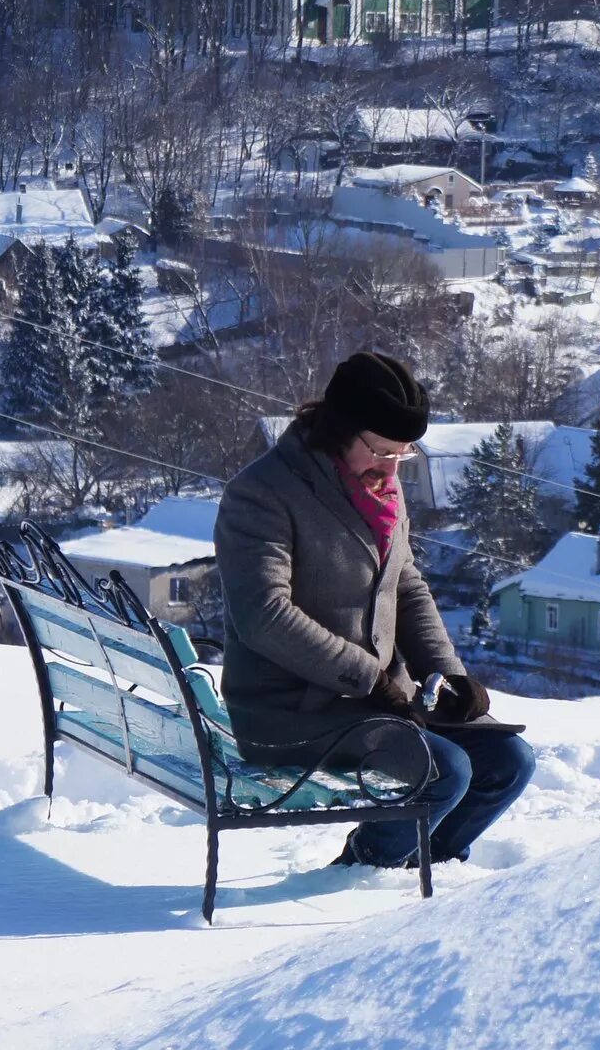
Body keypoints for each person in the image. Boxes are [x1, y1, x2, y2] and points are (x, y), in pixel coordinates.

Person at [214, 350, 535, 870]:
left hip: (374, 704)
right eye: (381, 451)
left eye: (402, 455)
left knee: (509, 763)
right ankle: (363, 871)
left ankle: (422, 869)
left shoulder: (380, 490)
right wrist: (370, 678)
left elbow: (405, 585)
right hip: (289, 711)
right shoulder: (262, 494)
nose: (391, 469)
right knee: (444, 771)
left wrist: (445, 673)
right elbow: (263, 615)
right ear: (338, 428)